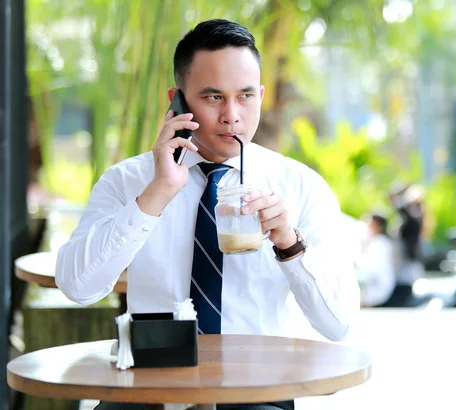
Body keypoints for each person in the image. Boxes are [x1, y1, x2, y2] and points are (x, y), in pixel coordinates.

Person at [55, 19, 360, 410]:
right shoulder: (129, 181)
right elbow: (77, 286)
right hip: (148, 389)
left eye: (246, 96)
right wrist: (158, 191)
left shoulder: (299, 186)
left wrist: (289, 242)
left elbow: (339, 324)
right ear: (177, 100)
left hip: (256, 394)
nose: (232, 115)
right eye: (213, 97)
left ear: (261, 96)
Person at [354, 214, 395, 307]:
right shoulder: (374, 241)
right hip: (374, 286)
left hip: (378, 288)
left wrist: (356, 263)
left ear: (377, 225)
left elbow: (372, 268)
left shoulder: (381, 243)